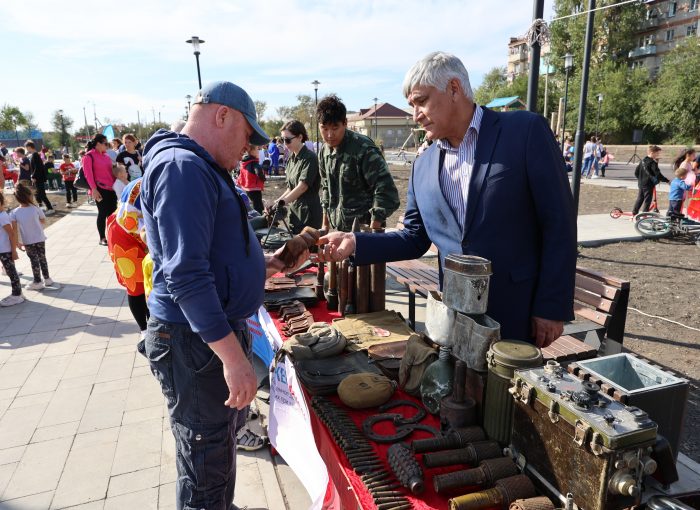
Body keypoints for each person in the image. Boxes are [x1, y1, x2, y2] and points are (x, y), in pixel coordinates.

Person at [319, 51, 577, 347]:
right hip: (455, 316)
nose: (415, 114)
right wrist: (356, 242)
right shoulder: (423, 165)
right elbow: (415, 237)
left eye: (421, 101)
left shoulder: (524, 131)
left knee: (506, 394)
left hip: (516, 313)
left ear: (454, 89)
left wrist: (550, 307)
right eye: (412, 105)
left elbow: (559, 223)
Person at [139, 81, 307, 510]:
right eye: (248, 136)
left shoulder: (196, 166)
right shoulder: (183, 168)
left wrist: (263, 263)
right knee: (206, 454)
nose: (250, 149)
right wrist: (234, 360)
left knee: (209, 451)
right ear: (221, 116)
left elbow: (209, 252)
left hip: (198, 341)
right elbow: (188, 276)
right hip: (195, 344)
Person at [316, 94, 400, 232]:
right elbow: (326, 187)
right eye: (324, 129)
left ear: (345, 123)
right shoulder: (324, 151)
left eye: (335, 128)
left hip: (365, 231)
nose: (330, 135)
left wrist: (373, 229)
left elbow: (385, 189)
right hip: (340, 230)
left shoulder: (363, 149)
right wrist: (325, 226)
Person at [106, 178, 150, 338]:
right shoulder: (141, 185)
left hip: (142, 232)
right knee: (136, 283)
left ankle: (154, 323)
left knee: (151, 281)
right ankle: (145, 330)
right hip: (124, 232)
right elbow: (128, 221)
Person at [274, 120, 322, 234]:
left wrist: (282, 203)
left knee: (309, 250)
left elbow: (302, 187)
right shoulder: (291, 159)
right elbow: (290, 188)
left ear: (300, 137)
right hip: (295, 213)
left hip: (309, 215)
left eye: (287, 140)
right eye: (282, 140)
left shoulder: (310, 158)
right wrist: (277, 202)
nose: (285, 143)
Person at [11, 182, 55, 291]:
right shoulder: (35, 208)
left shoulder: (14, 212)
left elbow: (14, 230)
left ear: (17, 198)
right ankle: (47, 278)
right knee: (42, 258)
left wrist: (16, 242)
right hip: (40, 237)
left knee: (33, 260)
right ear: (29, 196)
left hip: (28, 240)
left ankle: (37, 281)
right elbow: (43, 220)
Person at [83, 134, 117, 245]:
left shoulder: (106, 156)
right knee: (102, 213)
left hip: (111, 189)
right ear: (98, 144)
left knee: (112, 214)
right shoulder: (89, 156)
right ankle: (102, 238)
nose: (107, 145)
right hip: (99, 189)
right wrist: (94, 189)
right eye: (105, 143)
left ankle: (113, 236)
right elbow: (88, 175)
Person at [0, 192, 24, 307]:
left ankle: (17, 295)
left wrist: (14, 251)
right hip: (3, 249)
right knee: (10, 272)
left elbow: (11, 234)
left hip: (5, 250)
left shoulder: (2, 216)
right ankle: (18, 293)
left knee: (11, 272)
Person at [632, 145, 669, 216]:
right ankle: (644, 214)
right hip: (648, 184)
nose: (658, 155)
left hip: (641, 183)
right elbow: (658, 174)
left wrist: (641, 179)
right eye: (657, 153)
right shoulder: (652, 162)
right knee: (647, 200)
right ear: (652, 153)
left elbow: (636, 172)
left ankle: (634, 213)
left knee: (640, 198)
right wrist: (667, 180)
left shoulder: (642, 161)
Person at [25, 141, 55, 215]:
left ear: (29, 147)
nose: (27, 149)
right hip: (37, 178)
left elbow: (38, 167)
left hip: (38, 178)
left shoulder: (35, 155)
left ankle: (50, 208)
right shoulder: (34, 155)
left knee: (41, 194)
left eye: (27, 148)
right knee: (39, 193)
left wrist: (33, 176)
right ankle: (47, 207)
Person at [236, 149, 265, 214]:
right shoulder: (254, 162)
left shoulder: (243, 162)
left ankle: (259, 212)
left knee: (255, 201)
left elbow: (238, 171)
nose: (258, 152)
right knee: (257, 203)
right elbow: (258, 172)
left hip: (247, 186)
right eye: (257, 150)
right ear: (253, 152)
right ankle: (259, 216)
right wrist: (263, 178)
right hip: (254, 187)